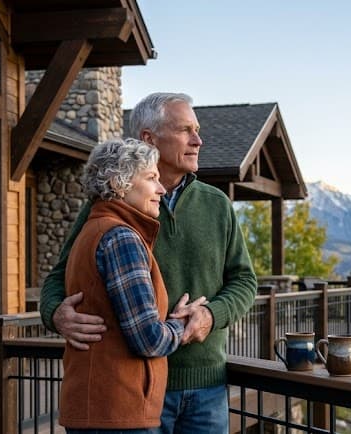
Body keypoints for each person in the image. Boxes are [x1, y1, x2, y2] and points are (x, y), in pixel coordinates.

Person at [41, 92, 258, 433]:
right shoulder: (107, 208)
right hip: (132, 389)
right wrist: (55, 313)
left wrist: (210, 315)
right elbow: (59, 276)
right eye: (186, 130)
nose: (198, 140)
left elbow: (245, 281)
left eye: (197, 130)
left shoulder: (217, 205)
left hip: (205, 387)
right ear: (149, 139)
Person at [59, 137, 206, 432]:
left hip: (100, 408)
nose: (162, 189)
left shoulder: (95, 229)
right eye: (152, 178)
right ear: (119, 183)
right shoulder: (121, 238)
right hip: (118, 412)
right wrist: (185, 323)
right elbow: (149, 339)